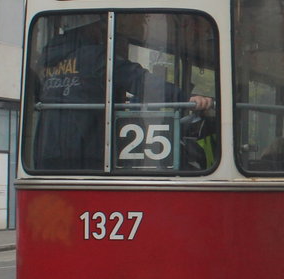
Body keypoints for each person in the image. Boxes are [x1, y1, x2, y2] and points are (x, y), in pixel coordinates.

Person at [33, 13, 213, 170]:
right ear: (89, 28)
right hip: (85, 150)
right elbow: (138, 79)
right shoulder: (93, 56)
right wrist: (186, 98)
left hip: (45, 152)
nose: (102, 32)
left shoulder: (45, 62)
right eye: (100, 26)